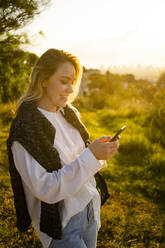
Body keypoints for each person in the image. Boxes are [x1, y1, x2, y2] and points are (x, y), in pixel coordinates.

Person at [7, 48, 119, 248]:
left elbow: (80, 160)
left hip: (89, 209)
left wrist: (99, 153)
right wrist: (92, 156)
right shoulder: (25, 130)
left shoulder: (69, 113)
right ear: (43, 80)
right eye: (64, 81)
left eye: (72, 82)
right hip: (63, 224)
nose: (70, 88)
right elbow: (46, 188)